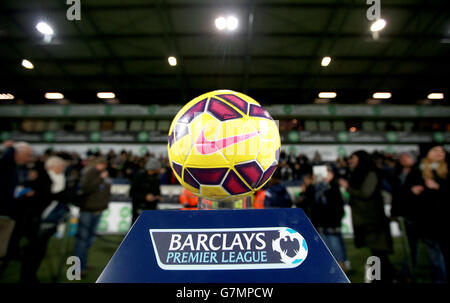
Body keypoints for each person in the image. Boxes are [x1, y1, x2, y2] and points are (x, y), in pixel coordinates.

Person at [339, 150, 395, 282]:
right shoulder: (360, 173)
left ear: (360, 159)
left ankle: (384, 277)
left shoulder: (371, 173)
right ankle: (384, 277)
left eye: (353, 158)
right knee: (376, 252)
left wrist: (347, 187)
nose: (350, 161)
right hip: (367, 219)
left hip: (373, 220)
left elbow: (365, 193)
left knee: (379, 253)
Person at [402, 144, 448, 283]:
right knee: (434, 254)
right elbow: (403, 193)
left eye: (442, 150)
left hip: (444, 219)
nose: (440, 153)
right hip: (427, 221)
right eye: (435, 150)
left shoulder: (447, 169)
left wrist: (439, 187)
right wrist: (412, 190)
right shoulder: (417, 171)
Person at [20, 156, 70, 283]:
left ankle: (32, 274)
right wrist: (57, 196)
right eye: (61, 166)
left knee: (41, 249)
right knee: (33, 249)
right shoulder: (42, 177)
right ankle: (26, 276)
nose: (63, 168)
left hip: (52, 219)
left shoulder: (62, 179)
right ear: (52, 166)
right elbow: (39, 197)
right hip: (37, 219)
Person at [74, 157, 111, 276]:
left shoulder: (100, 174)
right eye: (102, 164)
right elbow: (85, 188)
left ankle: (83, 264)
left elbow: (105, 190)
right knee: (82, 240)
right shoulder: (89, 172)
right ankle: (77, 269)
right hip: (88, 210)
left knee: (89, 239)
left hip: (97, 210)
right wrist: (100, 179)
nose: (104, 166)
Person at [310, 167, 348, 273]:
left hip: (332, 223)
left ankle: (342, 269)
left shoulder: (333, 186)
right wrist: (313, 183)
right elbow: (311, 201)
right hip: (320, 223)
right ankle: (331, 269)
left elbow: (337, 204)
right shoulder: (317, 187)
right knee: (325, 248)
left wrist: (330, 181)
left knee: (336, 247)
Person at [0, 141, 34, 259]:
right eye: (27, 155)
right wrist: (10, 148)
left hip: (9, 213)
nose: (29, 159)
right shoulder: (7, 164)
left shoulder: (14, 168)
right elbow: (6, 160)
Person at [129, 157, 162, 223]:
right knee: (137, 229)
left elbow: (157, 192)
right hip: (139, 209)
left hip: (151, 209)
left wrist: (157, 197)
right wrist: (145, 197)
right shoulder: (139, 177)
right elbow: (132, 193)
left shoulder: (156, 178)